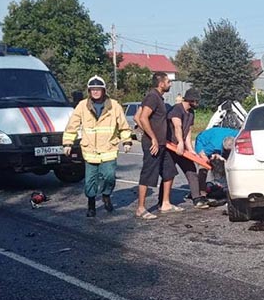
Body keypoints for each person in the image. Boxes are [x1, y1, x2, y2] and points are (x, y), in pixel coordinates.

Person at [63, 76, 132, 217]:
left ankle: (106, 195)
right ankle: (91, 204)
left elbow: (124, 126)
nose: (95, 92)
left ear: (104, 90)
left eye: (98, 89)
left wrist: (126, 141)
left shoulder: (114, 106)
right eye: (92, 89)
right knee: (90, 181)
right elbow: (72, 126)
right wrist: (68, 143)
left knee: (109, 177)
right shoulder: (82, 106)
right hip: (90, 151)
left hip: (108, 149)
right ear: (89, 91)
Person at [135, 72, 178, 219]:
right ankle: (141, 208)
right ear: (161, 83)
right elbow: (142, 117)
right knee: (148, 174)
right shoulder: (152, 97)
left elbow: (136, 117)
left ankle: (165, 204)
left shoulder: (157, 97)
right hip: (153, 144)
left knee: (170, 171)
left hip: (162, 143)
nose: (170, 84)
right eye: (168, 82)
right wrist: (152, 137)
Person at [167, 88, 208, 209]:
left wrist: (190, 149)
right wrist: (179, 142)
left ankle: (197, 199)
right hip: (171, 146)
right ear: (191, 100)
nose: (197, 104)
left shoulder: (191, 113)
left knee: (191, 171)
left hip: (182, 148)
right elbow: (177, 126)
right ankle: (163, 201)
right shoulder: (176, 109)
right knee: (169, 174)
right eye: (196, 101)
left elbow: (188, 131)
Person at [194, 126, 239, 204]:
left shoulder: (237, 135)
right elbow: (203, 154)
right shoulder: (213, 146)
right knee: (204, 166)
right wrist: (211, 158)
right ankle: (202, 193)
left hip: (218, 135)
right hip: (202, 141)